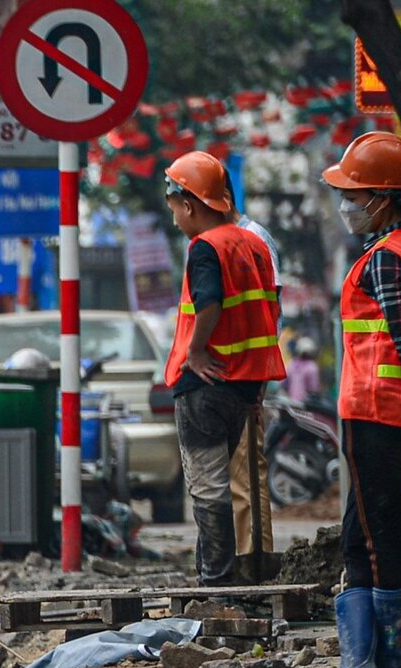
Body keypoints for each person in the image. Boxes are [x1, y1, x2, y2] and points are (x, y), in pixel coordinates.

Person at [301, 133, 401, 668]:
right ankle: (376, 663)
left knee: (372, 537)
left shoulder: (387, 259)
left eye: (354, 193)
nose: (346, 204)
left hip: (377, 410)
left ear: (384, 198)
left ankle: (379, 665)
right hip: (399, 415)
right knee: (362, 531)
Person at [161, 152, 284, 584]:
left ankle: (217, 582)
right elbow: (269, 312)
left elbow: (209, 302)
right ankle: (217, 577)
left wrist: (195, 351)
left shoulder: (204, 247)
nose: (175, 218)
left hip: (204, 384)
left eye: (175, 208)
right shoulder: (254, 244)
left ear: (190, 205)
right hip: (245, 385)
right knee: (217, 486)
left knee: (208, 487)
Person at [231, 185, 283, 566]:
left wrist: (256, 376)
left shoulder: (253, 238)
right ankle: (237, 558)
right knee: (232, 474)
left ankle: (255, 565)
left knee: (246, 469)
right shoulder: (214, 241)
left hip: (246, 374)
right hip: (225, 377)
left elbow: (270, 312)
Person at [283, 337, 322, 406]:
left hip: (291, 403)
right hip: (306, 405)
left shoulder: (292, 364)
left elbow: (284, 384)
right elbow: (314, 388)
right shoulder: (312, 366)